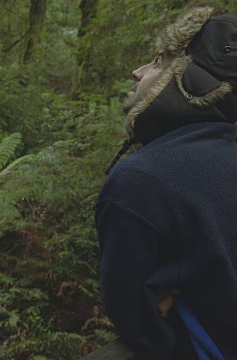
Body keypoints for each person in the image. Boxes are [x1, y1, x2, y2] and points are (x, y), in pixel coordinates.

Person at [96, 6, 237, 360]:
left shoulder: (141, 181)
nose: (138, 70)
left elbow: (137, 321)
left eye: (159, 61)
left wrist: (171, 291)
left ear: (188, 81)